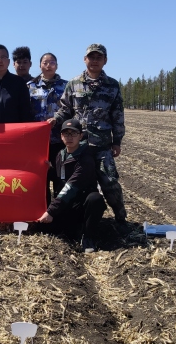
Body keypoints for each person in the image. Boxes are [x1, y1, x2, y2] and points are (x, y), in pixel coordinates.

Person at [51, 43, 128, 223]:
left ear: (105, 61)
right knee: (71, 182)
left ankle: (121, 219)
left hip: (102, 146)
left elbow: (117, 116)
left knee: (110, 182)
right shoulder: (74, 84)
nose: (95, 60)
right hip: (78, 146)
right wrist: (54, 119)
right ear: (85, 59)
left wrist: (117, 141)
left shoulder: (112, 85)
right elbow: (65, 109)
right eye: (91, 57)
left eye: (99, 57)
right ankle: (66, 219)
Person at [37, 119, 105, 253]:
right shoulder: (60, 155)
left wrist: (51, 211)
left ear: (80, 136)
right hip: (67, 204)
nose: (69, 137)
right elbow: (59, 178)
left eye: (73, 134)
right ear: (61, 137)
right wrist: (48, 170)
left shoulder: (85, 159)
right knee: (45, 228)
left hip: (81, 205)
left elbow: (71, 186)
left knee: (95, 199)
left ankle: (88, 237)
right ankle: (73, 229)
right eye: (66, 134)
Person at [28, 52, 68, 205]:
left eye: (52, 62)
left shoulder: (66, 86)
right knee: (40, 177)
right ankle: (43, 209)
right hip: (37, 142)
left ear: (57, 66)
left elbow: (71, 109)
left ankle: (58, 211)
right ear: (40, 65)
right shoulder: (30, 86)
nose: (48, 65)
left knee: (60, 176)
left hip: (60, 140)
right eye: (45, 62)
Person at [0, 44, 34, 123]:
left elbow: (25, 112)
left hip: (14, 129)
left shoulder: (19, 83)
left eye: (3, 57)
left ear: (8, 62)